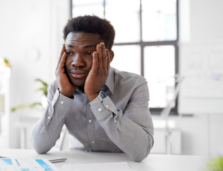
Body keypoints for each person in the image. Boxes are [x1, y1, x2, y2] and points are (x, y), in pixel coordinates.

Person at [31, 15, 154, 162]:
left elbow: (140, 151)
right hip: (77, 168)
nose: (77, 62)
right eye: (70, 52)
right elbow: (40, 146)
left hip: (123, 167)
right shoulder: (58, 87)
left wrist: (95, 96)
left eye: (89, 53)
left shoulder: (134, 85)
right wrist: (64, 95)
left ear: (108, 56)